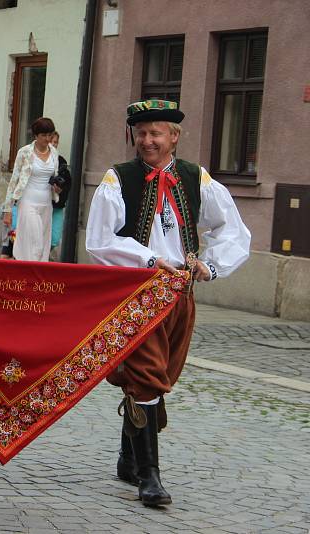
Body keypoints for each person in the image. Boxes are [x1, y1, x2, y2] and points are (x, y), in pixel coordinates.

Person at [85, 99, 250, 507]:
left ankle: (128, 457)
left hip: (181, 296)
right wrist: (146, 258)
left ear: (174, 137)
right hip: (139, 294)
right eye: (140, 133)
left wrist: (211, 265)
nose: (147, 141)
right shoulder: (117, 178)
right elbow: (100, 240)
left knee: (161, 376)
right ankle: (150, 477)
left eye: (155, 133)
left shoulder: (196, 178)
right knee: (147, 376)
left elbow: (232, 228)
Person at [2, 118, 70, 262]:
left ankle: (33, 278)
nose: (47, 139)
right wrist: (7, 209)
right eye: (43, 135)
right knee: (36, 243)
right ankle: (31, 277)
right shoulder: (25, 152)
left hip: (46, 204)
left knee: (44, 246)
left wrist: (57, 188)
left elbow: (54, 177)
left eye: (50, 135)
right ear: (35, 136)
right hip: (28, 202)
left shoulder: (54, 153)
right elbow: (14, 181)